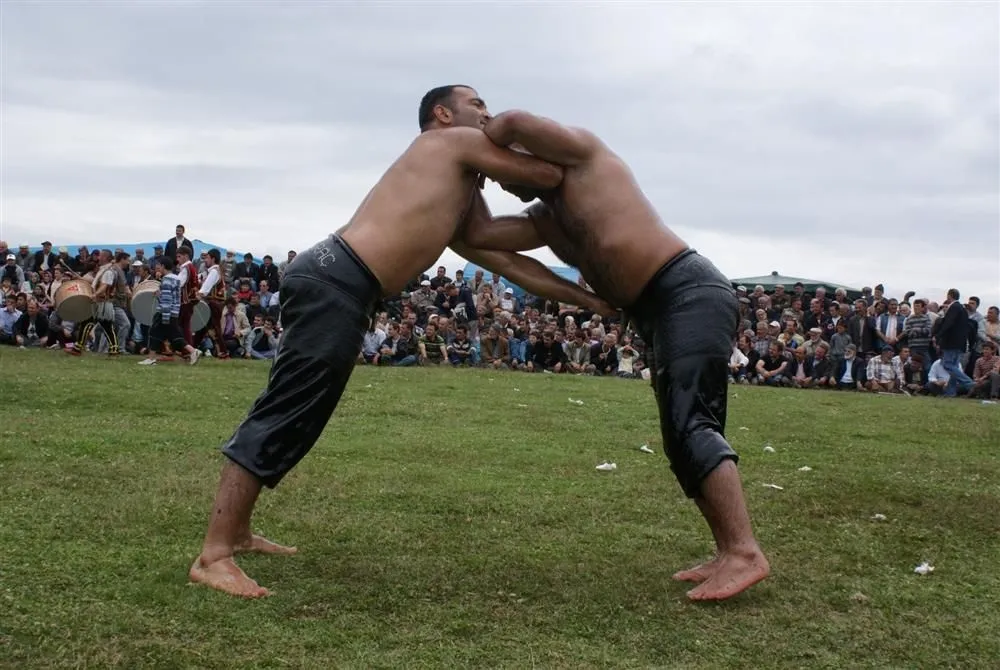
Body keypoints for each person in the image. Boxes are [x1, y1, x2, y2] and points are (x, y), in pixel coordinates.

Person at [189, 85, 615, 599]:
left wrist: (587, 299)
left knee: (298, 411)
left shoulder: (457, 198)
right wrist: (531, 143)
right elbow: (546, 176)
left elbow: (511, 263)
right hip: (336, 278)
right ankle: (214, 555)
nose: (487, 114)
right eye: (477, 105)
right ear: (443, 114)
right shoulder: (446, 143)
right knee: (288, 409)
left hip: (343, 285)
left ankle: (235, 532)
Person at [462, 109, 769, 601]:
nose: (500, 179)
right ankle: (727, 550)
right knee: (679, 435)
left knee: (692, 423)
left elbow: (513, 120)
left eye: (502, 165)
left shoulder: (585, 156)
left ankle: (744, 552)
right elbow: (479, 234)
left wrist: (476, 142)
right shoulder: (546, 219)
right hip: (655, 310)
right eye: (492, 175)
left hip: (687, 291)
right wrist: (469, 172)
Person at [138, 257, 202, 366]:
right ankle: (193, 351)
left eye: (159, 266)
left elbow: (167, 300)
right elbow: (173, 297)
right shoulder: (176, 278)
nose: (157, 268)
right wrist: (160, 295)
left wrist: (165, 316)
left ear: (163, 266)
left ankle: (151, 359)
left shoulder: (167, 280)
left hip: (165, 313)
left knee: (154, 333)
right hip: (174, 312)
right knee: (173, 336)